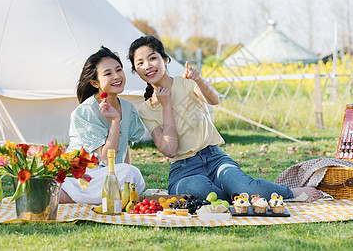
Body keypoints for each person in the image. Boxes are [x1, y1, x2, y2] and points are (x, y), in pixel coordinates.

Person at [128, 35, 321, 202]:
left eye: (152, 58)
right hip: (183, 169)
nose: (148, 66)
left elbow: (214, 100)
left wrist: (198, 79)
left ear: (165, 59)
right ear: (136, 71)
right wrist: (166, 105)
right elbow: (169, 150)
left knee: (249, 189)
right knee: (201, 191)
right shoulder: (146, 110)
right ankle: (236, 195)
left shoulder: (186, 83)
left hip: (215, 158)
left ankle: (289, 193)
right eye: (140, 63)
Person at [60, 46, 146, 204]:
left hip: (111, 175)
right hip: (83, 178)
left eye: (119, 70)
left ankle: (98, 197)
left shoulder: (128, 109)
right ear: (95, 83)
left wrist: (124, 180)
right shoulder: (85, 112)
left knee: (132, 174)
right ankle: (67, 195)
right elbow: (107, 157)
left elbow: (124, 151)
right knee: (127, 173)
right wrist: (115, 121)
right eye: (108, 73)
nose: (116, 76)